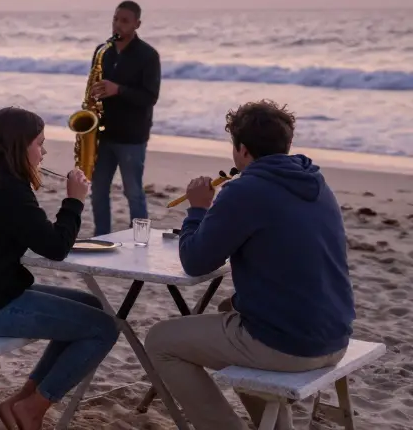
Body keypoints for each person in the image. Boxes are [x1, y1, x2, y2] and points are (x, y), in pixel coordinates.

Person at [145, 101, 354, 430]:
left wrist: (198, 210)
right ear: (286, 144)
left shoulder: (245, 190)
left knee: (160, 341)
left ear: (241, 149)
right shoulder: (316, 182)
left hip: (290, 346)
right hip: (335, 336)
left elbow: (196, 262)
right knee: (229, 307)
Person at [0, 106, 117, 430]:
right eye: (40, 143)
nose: (44, 152)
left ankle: (22, 400)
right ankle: (33, 409)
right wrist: (74, 201)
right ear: (19, 147)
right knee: (105, 328)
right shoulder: (7, 190)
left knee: (91, 305)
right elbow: (54, 248)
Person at [88, 0, 161, 235]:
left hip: (131, 136)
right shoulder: (102, 51)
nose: (118, 25)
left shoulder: (148, 55)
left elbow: (150, 97)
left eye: (125, 21)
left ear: (137, 24)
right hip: (102, 133)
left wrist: (117, 89)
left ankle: (140, 241)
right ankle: (102, 238)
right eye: (115, 19)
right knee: (98, 191)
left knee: (134, 193)